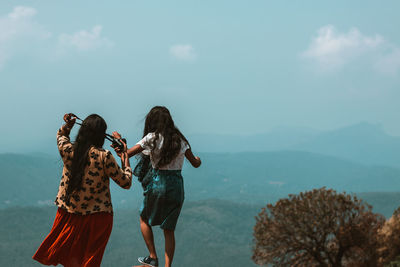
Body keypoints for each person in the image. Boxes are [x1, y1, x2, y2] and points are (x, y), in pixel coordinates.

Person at [33, 113, 132, 267]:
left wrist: (68, 125)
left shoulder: (68, 150)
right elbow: (126, 183)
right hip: (98, 217)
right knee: (90, 261)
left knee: (70, 260)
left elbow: (61, 135)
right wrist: (125, 157)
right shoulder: (104, 156)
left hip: (68, 214)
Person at [112, 106, 201, 267]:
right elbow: (195, 163)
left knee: (144, 218)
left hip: (158, 183)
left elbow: (126, 154)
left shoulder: (151, 138)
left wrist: (119, 140)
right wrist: (199, 159)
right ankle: (168, 266)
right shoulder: (180, 140)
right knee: (169, 229)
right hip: (176, 186)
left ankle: (153, 257)